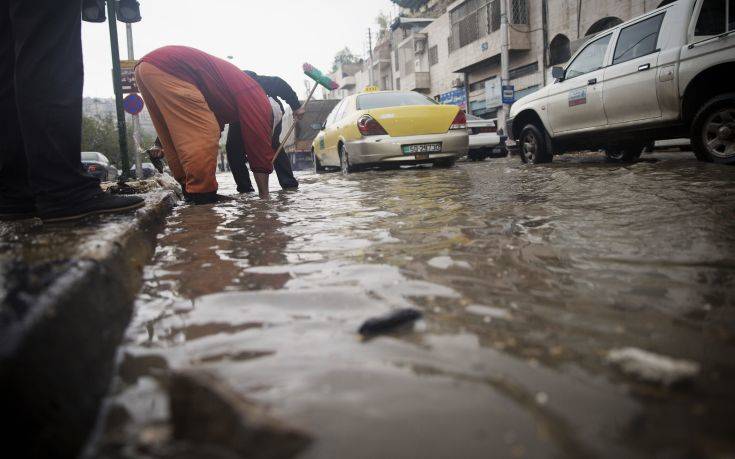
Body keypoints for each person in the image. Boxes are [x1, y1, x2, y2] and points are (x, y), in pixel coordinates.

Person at [0, 0, 144, 222]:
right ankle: (61, 188)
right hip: (61, 190)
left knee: (8, 54)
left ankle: (16, 192)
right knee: (50, 43)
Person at [134, 46, 276, 202]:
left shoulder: (227, 92)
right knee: (206, 131)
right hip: (170, 68)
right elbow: (258, 144)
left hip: (146, 69)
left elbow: (181, 125)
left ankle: (188, 189)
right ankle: (201, 194)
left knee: (173, 133)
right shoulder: (258, 99)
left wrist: (159, 145)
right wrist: (265, 197)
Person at [226, 71, 306, 193]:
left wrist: (296, 106)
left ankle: (289, 184)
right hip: (238, 115)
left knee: (272, 144)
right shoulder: (219, 88)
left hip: (268, 110)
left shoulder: (247, 79)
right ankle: (245, 189)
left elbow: (279, 84)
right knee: (233, 149)